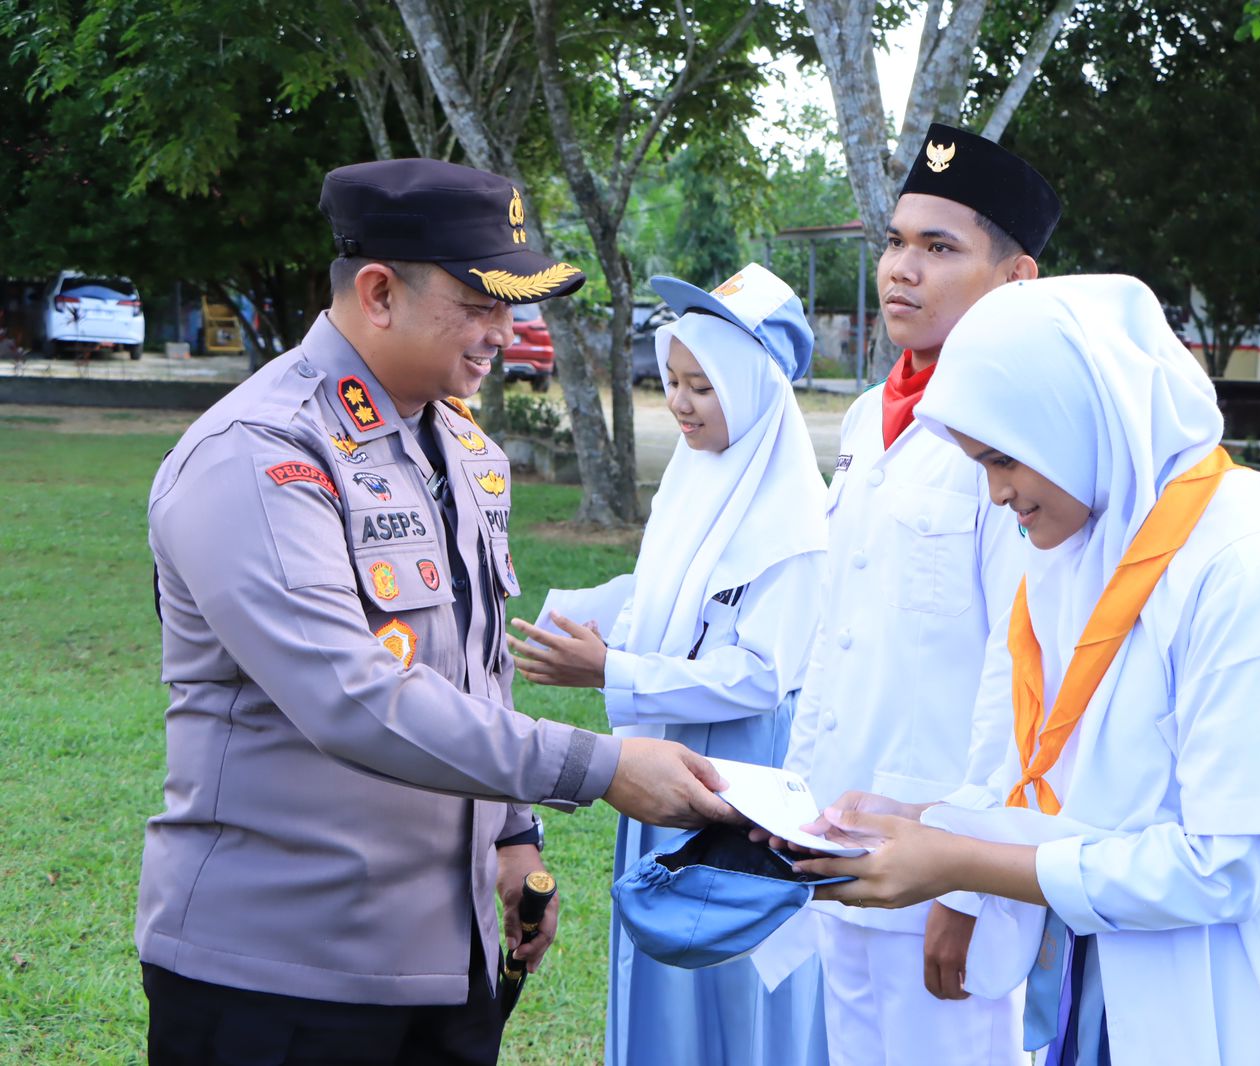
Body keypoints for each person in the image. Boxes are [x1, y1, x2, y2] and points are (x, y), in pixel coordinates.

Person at [138, 158, 737, 1066]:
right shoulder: (258, 455)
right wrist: (598, 766)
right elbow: (353, 696)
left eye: (516, 304)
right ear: (378, 292)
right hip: (279, 974)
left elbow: (471, 665)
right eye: (482, 303)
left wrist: (511, 836)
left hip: (441, 960)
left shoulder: (460, 444)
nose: (508, 330)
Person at [792, 274, 1260, 1066]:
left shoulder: (1259, 572)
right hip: (1122, 985)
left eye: (1002, 460)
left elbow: (1222, 868)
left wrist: (956, 860)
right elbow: (1095, 790)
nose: (996, 495)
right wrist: (926, 817)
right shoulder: (1084, 557)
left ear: (1075, 422)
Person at [779, 123, 1061, 1066]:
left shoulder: (1027, 440)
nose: (902, 269)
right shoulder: (869, 416)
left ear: (1015, 280)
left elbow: (1018, 676)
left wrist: (967, 883)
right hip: (837, 829)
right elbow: (841, 631)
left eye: (939, 248)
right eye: (896, 241)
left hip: (934, 850)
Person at [507, 263, 830, 1066]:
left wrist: (614, 670)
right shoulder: (697, 479)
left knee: (733, 965)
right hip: (669, 760)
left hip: (744, 779)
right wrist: (572, 614)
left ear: (753, 392)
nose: (680, 402)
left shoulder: (796, 523)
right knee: (663, 958)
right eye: (672, 380)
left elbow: (760, 674)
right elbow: (667, 592)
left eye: (703, 387)